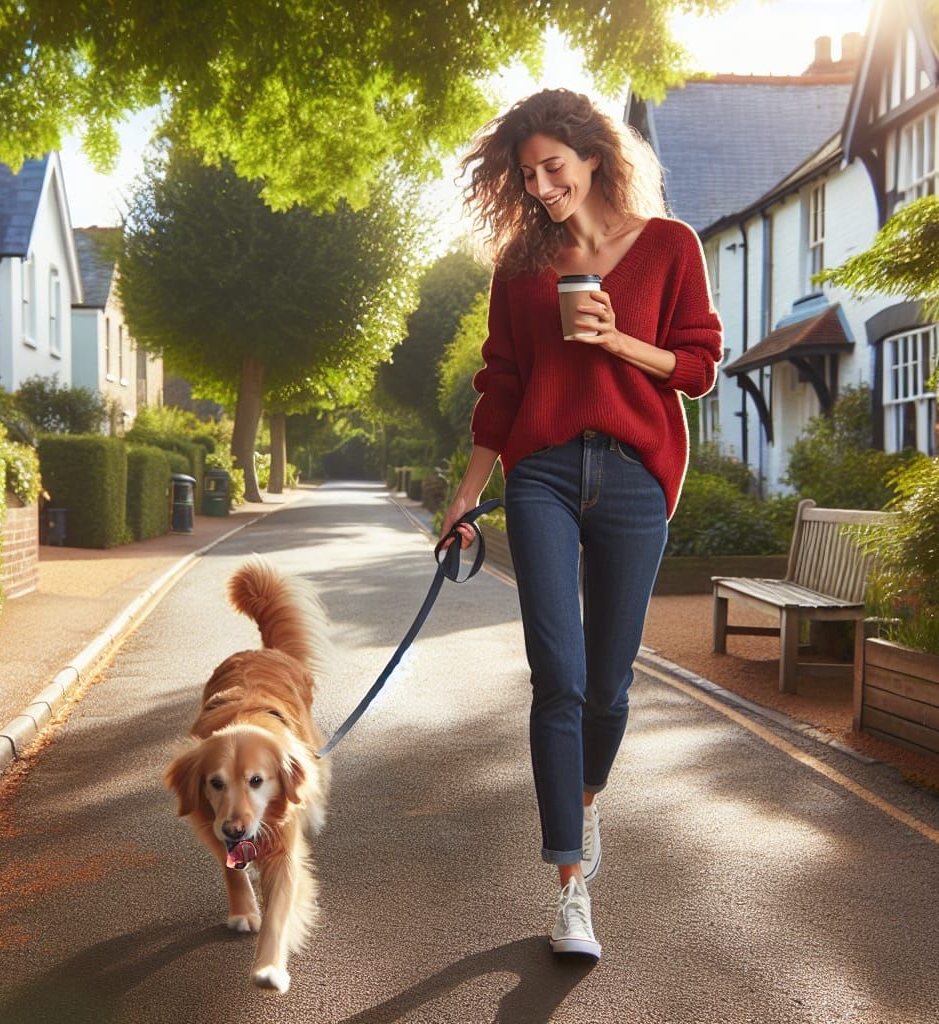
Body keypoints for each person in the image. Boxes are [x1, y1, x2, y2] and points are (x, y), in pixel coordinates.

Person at [440, 89, 722, 960]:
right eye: (525, 176)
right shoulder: (521, 266)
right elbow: (502, 386)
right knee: (556, 677)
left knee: (610, 687)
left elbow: (701, 365)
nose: (541, 186)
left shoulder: (672, 247)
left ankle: (586, 798)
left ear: (595, 156)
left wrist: (617, 343)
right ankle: (570, 889)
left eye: (552, 168)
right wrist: (464, 494)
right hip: (545, 476)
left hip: (637, 478)